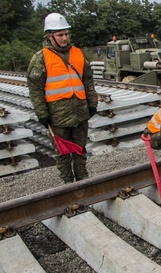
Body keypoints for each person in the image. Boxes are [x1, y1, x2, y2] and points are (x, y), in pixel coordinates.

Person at [27, 13, 98, 183]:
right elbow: (35, 89)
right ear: (49, 35)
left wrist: (92, 103)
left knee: (80, 150)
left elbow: (87, 80)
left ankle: (83, 181)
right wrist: (42, 113)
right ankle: (67, 185)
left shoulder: (78, 53)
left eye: (66, 34)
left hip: (80, 112)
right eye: (60, 35)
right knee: (62, 153)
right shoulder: (41, 58)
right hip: (57, 115)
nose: (64, 38)